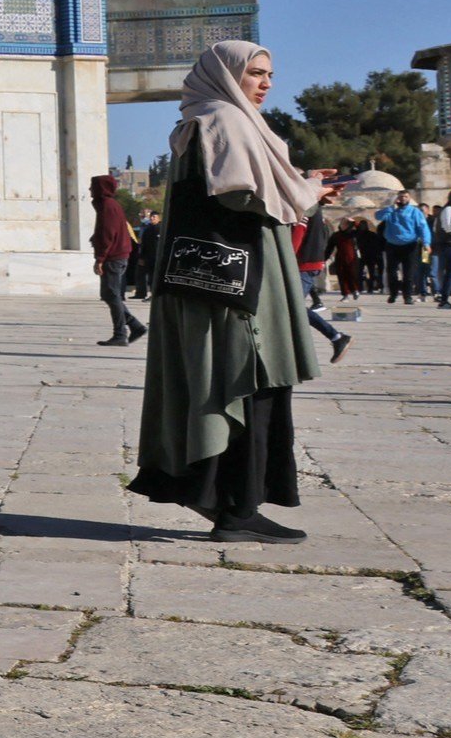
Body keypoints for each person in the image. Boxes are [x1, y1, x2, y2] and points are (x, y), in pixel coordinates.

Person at [133, 40, 324, 542]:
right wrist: (305, 193)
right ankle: (238, 512)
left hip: (211, 283)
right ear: (226, 74)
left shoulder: (197, 119)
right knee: (248, 382)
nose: (265, 84)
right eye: (256, 73)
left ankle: (223, 501)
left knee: (218, 384)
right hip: (241, 288)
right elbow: (240, 195)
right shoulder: (225, 119)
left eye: (270, 74)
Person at [90, 173, 145, 345]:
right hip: (115, 256)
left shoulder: (108, 206)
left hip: (113, 257)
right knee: (108, 294)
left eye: (93, 186)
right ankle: (135, 326)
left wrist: (100, 259)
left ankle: (121, 334)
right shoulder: (107, 205)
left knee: (112, 294)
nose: (90, 190)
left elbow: (108, 234)